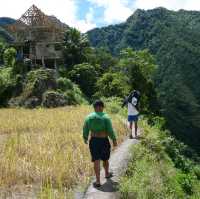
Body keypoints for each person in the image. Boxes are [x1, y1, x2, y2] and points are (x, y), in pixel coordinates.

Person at [83, 100, 117, 187]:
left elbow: (85, 129)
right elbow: (110, 130)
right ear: (102, 107)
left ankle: (98, 181)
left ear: (94, 108)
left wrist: (85, 138)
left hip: (93, 140)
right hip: (104, 140)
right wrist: (114, 139)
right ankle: (106, 174)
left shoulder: (89, 117)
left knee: (96, 160)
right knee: (105, 158)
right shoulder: (106, 117)